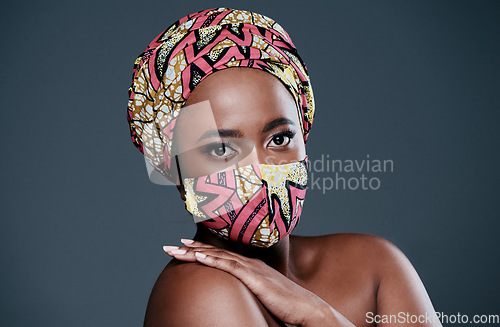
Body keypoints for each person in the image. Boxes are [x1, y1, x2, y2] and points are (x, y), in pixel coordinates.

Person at [127, 7, 442, 327]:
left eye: (278, 139)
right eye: (222, 149)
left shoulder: (374, 263)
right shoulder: (201, 293)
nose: (262, 170)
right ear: (175, 170)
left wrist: (320, 314)